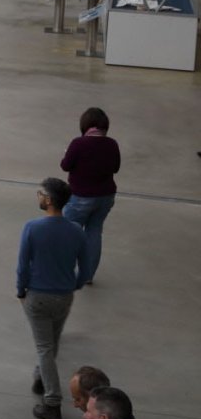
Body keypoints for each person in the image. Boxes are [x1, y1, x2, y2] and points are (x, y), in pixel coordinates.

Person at [17, 177, 87, 419]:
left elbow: (23, 265)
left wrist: (21, 291)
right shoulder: (76, 231)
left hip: (38, 296)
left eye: (40, 194)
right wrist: (75, 284)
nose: (38, 196)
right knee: (52, 341)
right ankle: (40, 377)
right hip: (64, 296)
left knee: (44, 347)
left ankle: (52, 402)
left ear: (48, 200)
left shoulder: (32, 228)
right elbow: (86, 266)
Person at [61, 107, 119, 286]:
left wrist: (68, 154)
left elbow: (65, 165)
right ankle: (87, 275)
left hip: (81, 197)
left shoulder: (78, 144)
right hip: (105, 197)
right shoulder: (112, 144)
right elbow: (115, 168)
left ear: (85, 125)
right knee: (94, 232)